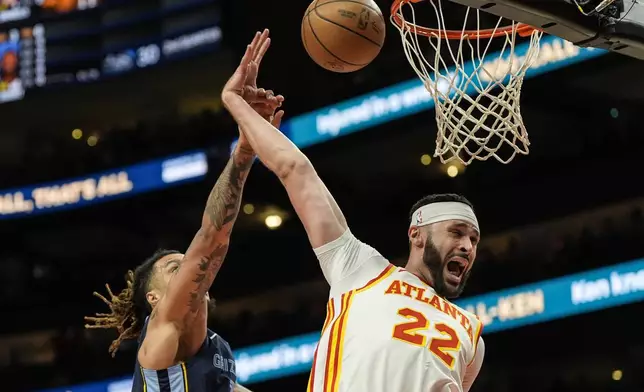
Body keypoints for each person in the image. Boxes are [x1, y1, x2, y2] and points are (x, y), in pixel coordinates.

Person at [220, 30, 485, 392]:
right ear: (417, 234)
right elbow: (297, 171)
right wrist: (235, 103)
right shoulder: (362, 268)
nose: (469, 246)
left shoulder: (471, 331)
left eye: (473, 239)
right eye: (456, 232)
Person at [84, 31, 282, 392]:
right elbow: (211, 237)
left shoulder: (217, 349)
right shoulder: (161, 331)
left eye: (184, 262)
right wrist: (244, 152)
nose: (190, 265)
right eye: (177, 266)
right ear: (154, 299)